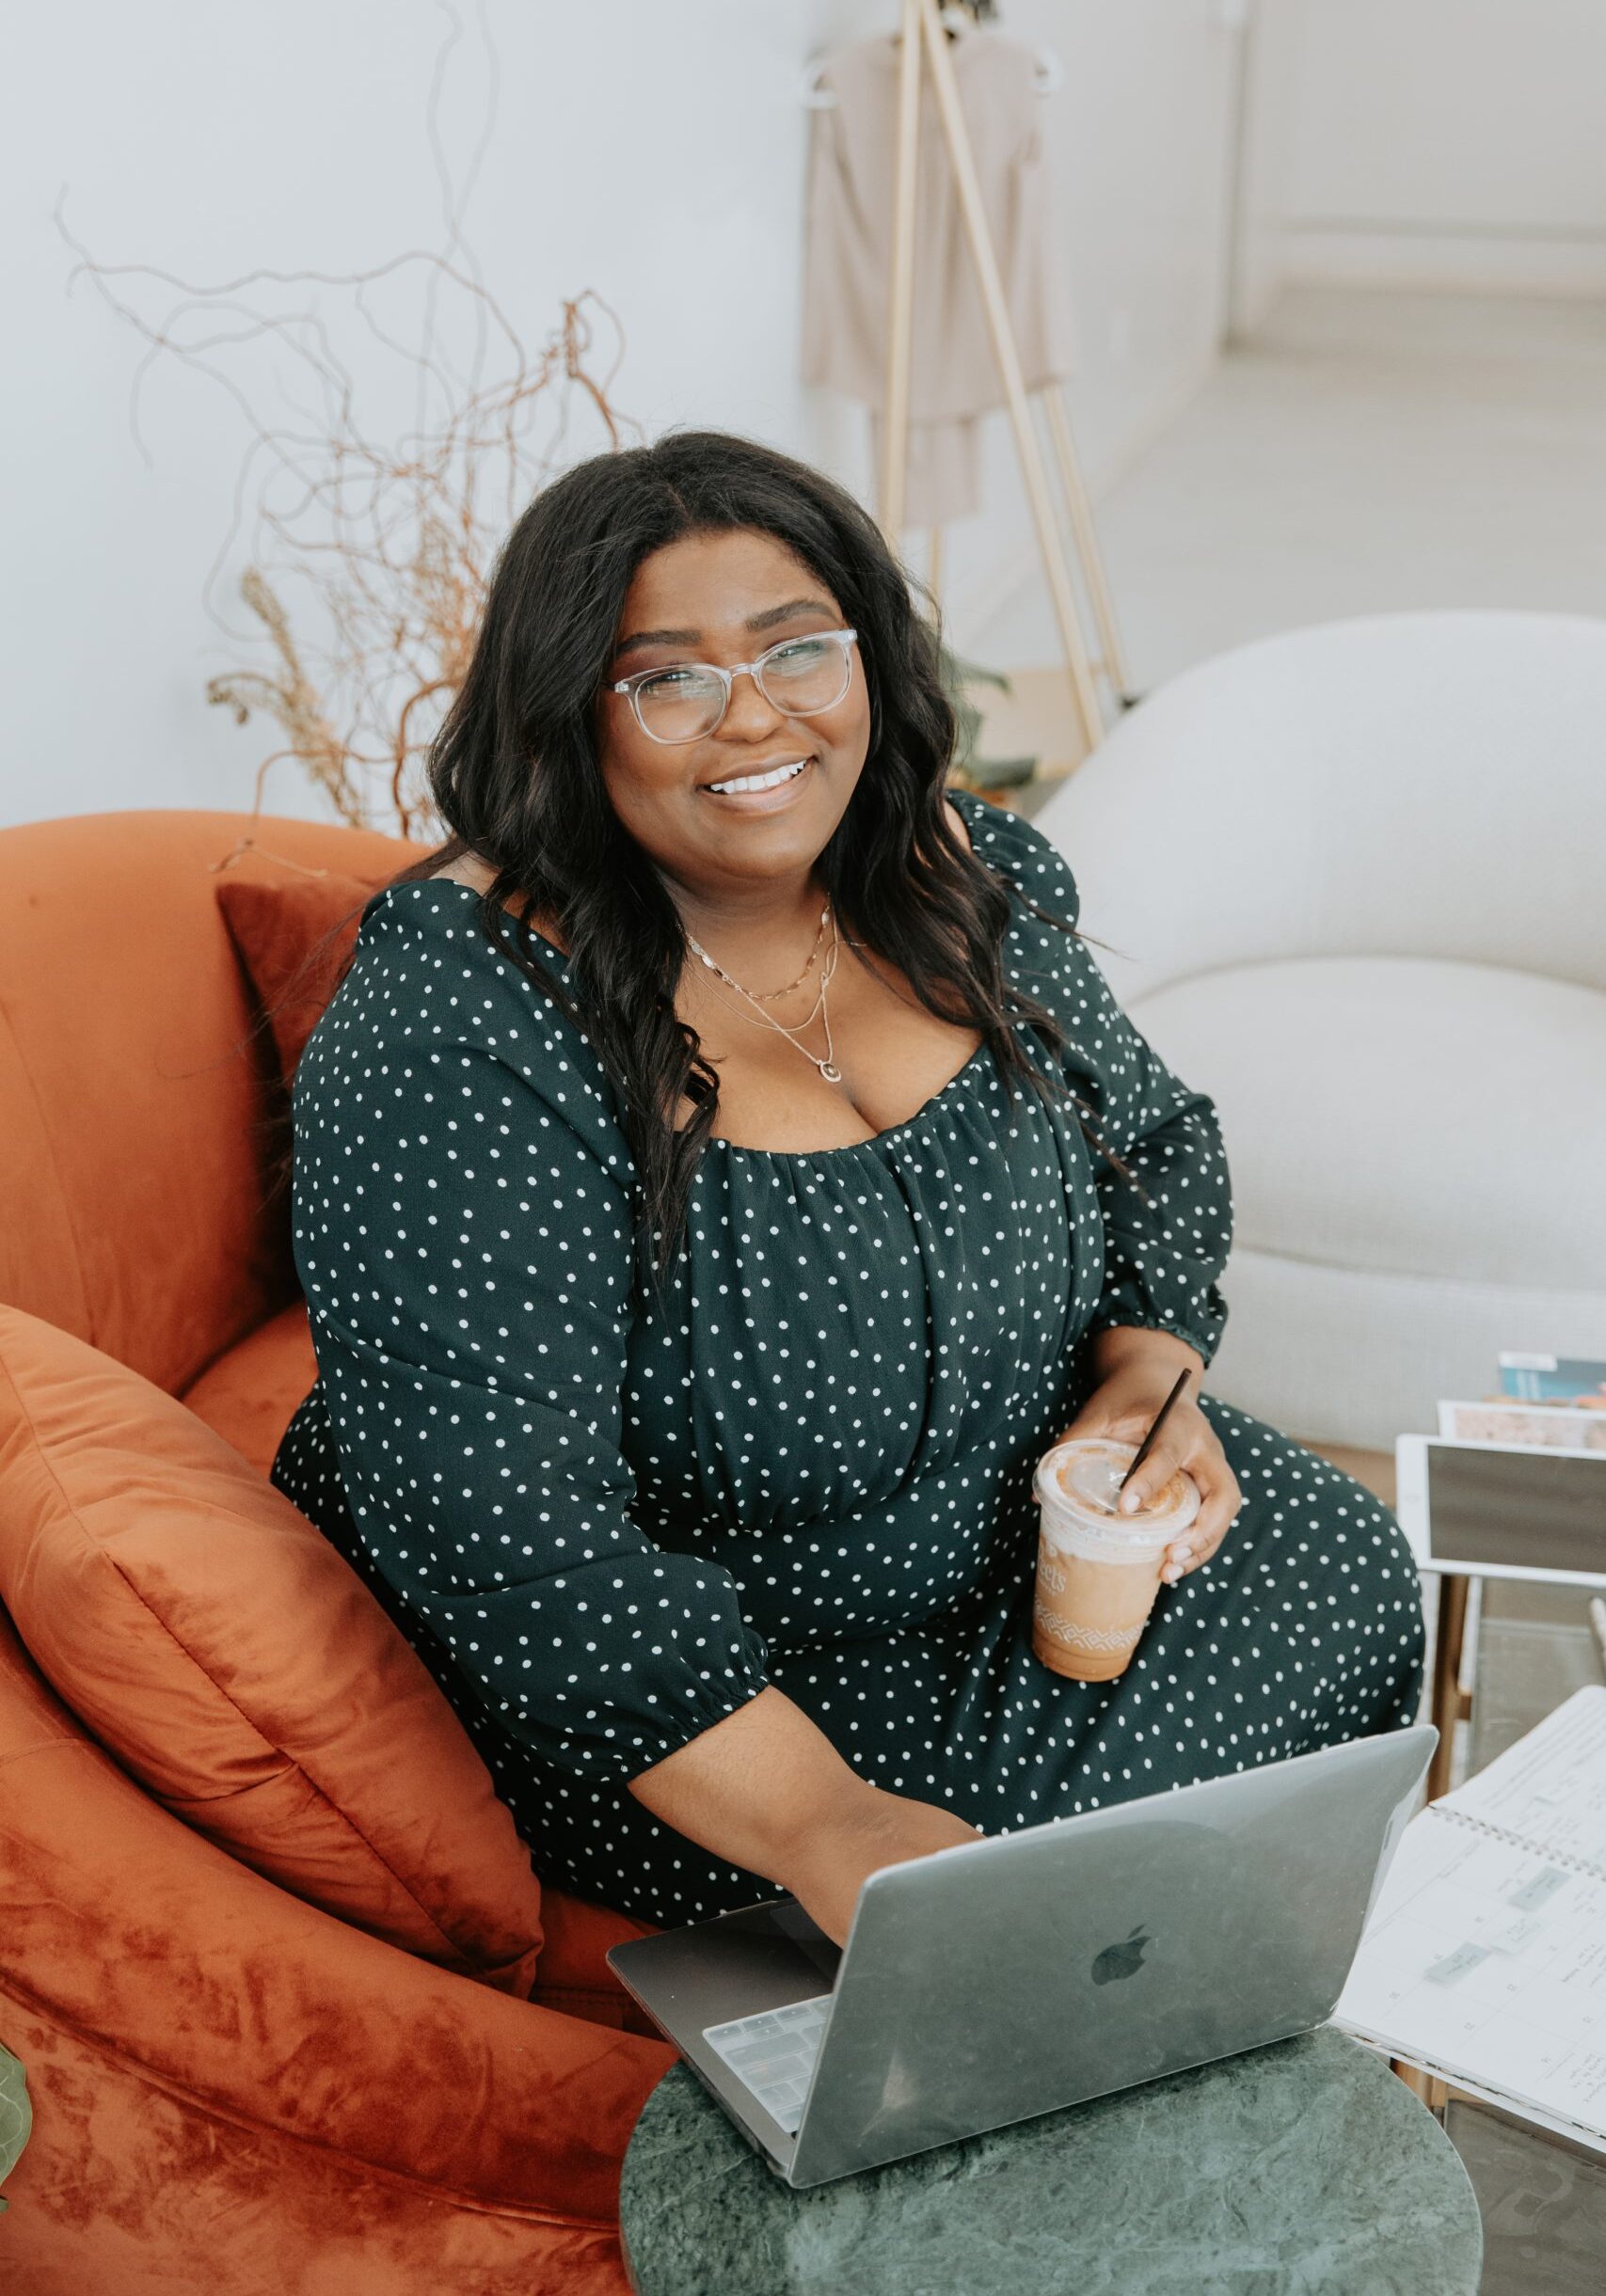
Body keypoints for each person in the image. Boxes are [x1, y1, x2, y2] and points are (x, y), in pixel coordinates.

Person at [271, 430, 1425, 1949]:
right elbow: (509, 1538)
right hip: (722, 1685)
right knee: (1074, 1891)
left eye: (798, 647)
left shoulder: (935, 872)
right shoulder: (465, 1026)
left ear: (870, 657)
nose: (754, 715)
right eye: (667, 677)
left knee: (1345, 1571)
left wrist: (1145, 1386)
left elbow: (1152, 1147)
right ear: (568, 721)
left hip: (1008, 1539)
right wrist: (823, 1819)